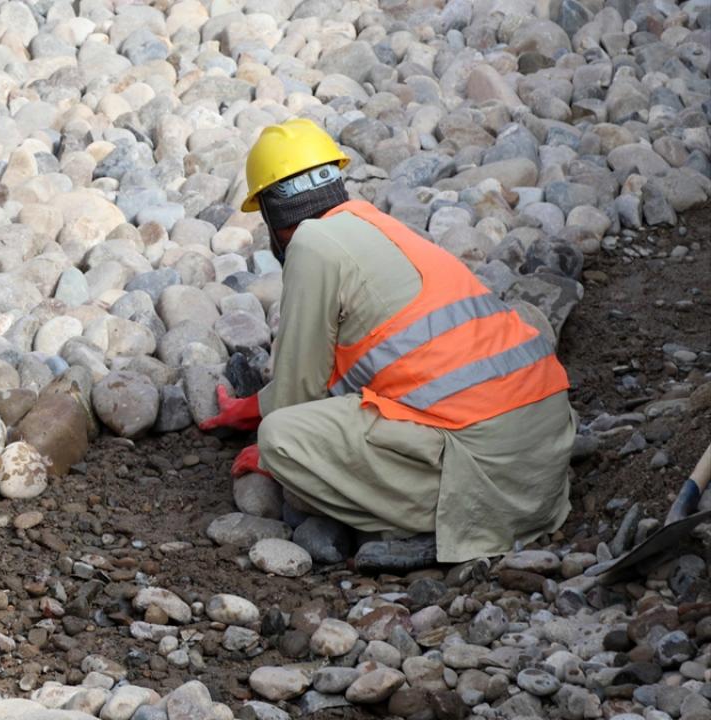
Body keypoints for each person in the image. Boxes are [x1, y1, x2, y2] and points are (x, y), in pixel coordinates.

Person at [201, 119, 576, 572]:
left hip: (489, 480)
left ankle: (435, 533)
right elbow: (386, 361)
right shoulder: (374, 225)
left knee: (280, 439)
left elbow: (298, 393)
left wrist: (271, 452)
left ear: (271, 214)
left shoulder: (311, 244)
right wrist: (251, 407)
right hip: (545, 451)